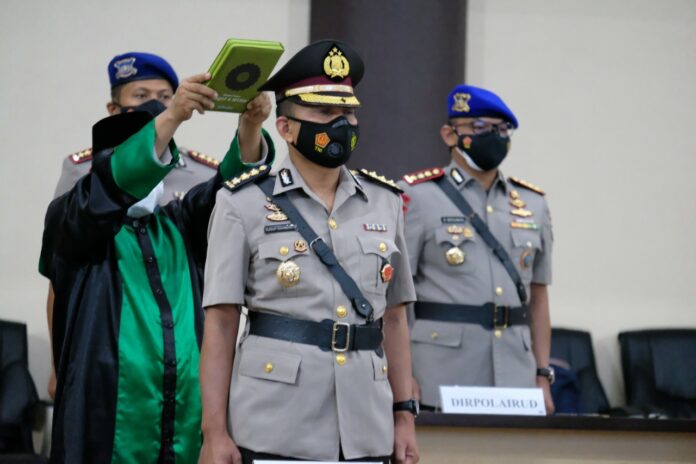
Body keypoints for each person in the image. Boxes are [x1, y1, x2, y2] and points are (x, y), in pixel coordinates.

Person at [198, 39, 420, 464]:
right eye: (324, 113)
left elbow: (394, 318)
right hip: (276, 423)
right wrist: (214, 432)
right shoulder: (241, 202)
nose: (341, 124)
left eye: (347, 113)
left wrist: (404, 416)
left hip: (366, 425)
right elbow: (222, 323)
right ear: (285, 127)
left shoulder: (385, 201)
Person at [39, 71, 273, 463]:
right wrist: (174, 114)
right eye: (145, 156)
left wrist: (250, 127)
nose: (153, 170)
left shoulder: (177, 223)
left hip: (185, 419)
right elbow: (110, 186)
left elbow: (229, 187)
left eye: (160, 159)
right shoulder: (73, 220)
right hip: (106, 420)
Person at [399, 84, 555, 413]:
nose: (494, 137)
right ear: (449, 134)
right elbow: (395, 297)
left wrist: (542, 375)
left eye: (502, 129)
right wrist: (401, 376)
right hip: (440, 370)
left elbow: (539, 296)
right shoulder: (418, 196)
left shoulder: (533, 204)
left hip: (516, 373)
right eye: (480, 127)